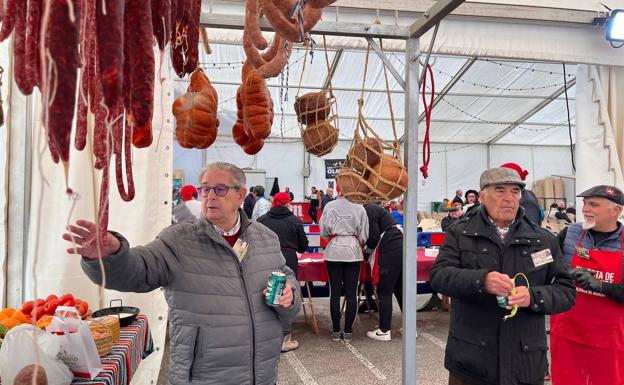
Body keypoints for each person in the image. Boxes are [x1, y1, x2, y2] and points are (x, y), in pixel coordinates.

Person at [63, 162, 301, 385]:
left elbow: (286, 276)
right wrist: (109, 255)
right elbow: (138, 269)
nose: (209, 196)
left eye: (219, 189)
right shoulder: (178, 239)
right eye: (205, 189)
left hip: (261, 373)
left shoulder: (265, 237)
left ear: (241, 195)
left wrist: (290, 293)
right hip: (203, 376)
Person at [429, 167, 575, 385]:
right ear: (482, 196)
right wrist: (482, 280)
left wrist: (533, 297)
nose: (509, 199)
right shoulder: (461, 233)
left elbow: (566, 291)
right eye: (500, 191)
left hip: (524, 362)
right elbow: (439, 276)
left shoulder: (542, 239)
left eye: (515, 192)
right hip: (472, 361)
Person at [550, 184, 624, 385]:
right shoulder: (570, 233)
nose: (585, 209)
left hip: (608, 339)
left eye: (593, 204)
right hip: (568, 331)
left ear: (616, 210)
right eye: (584, 204)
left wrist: (600, 285)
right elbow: (544, 264)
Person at [258, 192, 309, 353]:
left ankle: (265, 334)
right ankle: (285, 337)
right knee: (287, 295)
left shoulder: (262, 220)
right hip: (288, 257)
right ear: (288, 204)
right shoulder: (294, 220)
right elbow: (303, 246)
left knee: (265, 293)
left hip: (265, 257)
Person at [320, 185, 369, 342]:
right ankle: (347, 331)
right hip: (353, 251)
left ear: (338, 190)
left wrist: (334, 239)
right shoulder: (359, 207)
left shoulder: (329, 205)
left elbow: (323, 230)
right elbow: (364, 234)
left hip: (333, 249)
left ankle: (335, 331)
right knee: (351, 293)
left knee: (334, 292)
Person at [364, 202, 403, 341]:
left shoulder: (368, 209)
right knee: (400, 289)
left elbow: (374, 236)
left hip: (390, 243)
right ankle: (410, 328)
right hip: (399, 242)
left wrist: (366, 252)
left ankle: (384, 330)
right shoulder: (375, 208)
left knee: (384, 290)